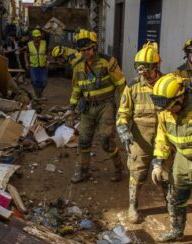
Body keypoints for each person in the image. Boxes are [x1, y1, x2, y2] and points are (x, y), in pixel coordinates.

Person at [65, 29, 126, 183]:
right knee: (83, 140)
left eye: (88, 49)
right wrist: (70, 109)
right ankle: (83, 171)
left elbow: (122, 86)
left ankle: (119, 168)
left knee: (106, 140)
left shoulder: (108, 62)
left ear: (94, 47)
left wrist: (126, 109)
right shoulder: (78, 66)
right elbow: (77, 89)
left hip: (106, 105)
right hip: (87, 108)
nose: (86, 53)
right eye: (82, 50)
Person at [116, 42, 165, 223]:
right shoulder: (133, 87)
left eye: (146, 70)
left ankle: (170, 202)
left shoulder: (166, 84)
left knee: (166, 174)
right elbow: (123, 112)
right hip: (139, 138)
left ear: (156, 66)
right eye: (139, 70)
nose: (142, 74)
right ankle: (133, 205)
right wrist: (123, 130)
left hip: (164, 137)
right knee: (137, 173)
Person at [150, 73, 192, 242]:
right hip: (183, 157)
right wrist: (158, 162)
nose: (167, 112)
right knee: (175, 197)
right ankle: (177, 230)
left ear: (180, 98)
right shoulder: (165, 109)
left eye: (170, 107)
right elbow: (162, 136)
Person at [24, 29, 49, 98]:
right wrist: (26, 62)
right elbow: (26, 53)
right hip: (33, 66)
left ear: (40, 37)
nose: (37, 38)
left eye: (38, 37)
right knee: (34, 81)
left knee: (44, 82)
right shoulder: (29, 44)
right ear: (33, 37)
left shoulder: (44, 43)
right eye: (35, 37)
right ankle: (37, 95)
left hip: (43, 66)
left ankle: (39, 95)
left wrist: (47, 62)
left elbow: (47, 53)